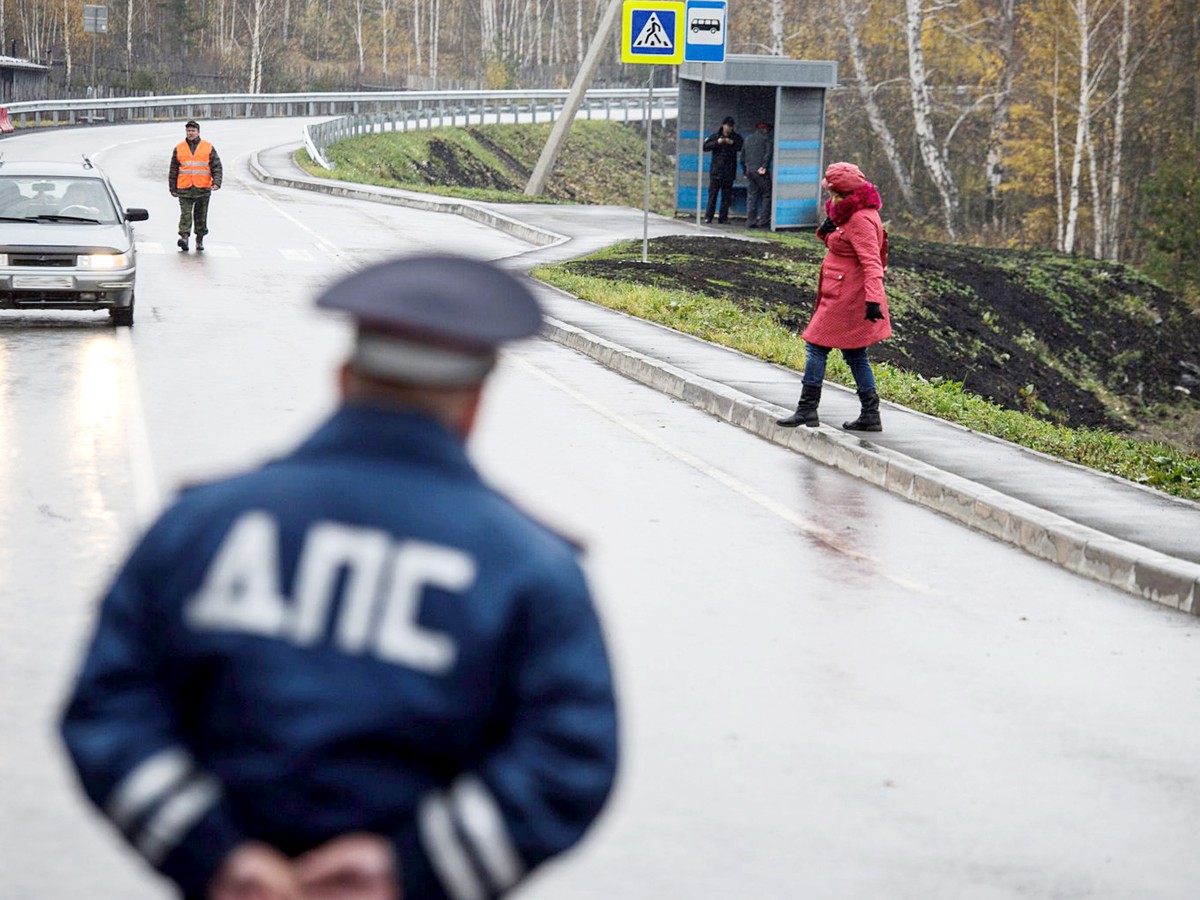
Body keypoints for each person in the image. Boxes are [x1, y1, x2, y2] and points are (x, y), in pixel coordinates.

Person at [60, 255, 620, 900]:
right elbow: (569, 760)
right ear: (473, 404)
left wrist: (218, 855)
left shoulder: (200, 523)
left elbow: (107, 708)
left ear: (345, 378)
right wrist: (408, 869)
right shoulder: (529, 566)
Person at [776, 161, 891, 431]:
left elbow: (872, 261)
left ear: (840, 192)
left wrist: (873, 299)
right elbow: (842, 242)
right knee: (855, 354)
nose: (828, 195)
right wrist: (827, 230)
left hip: (849, 296)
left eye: (830, 190)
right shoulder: (847, 212)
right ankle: (870, 415)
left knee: (816, 345)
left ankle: (807, 409)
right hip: (840, 291)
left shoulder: (861, 217)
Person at [169, 119, 222, 252]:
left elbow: (216, 166)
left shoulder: (208, 147)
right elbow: (173, 169)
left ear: (198, 132)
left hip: (202, 188)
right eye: (188, 131)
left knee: (201, 216)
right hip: (184, 188)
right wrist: (172, 188)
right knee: (185, 214)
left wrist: (216, 182)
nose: (190, 133)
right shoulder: (179, 148)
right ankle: (184, 238)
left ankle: (200, 239)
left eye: (193, 131)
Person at [702, 116, 743, 224]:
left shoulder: (736, 137)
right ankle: (708, 216)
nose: (729, 128)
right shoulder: (715, 136)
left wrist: (732, 143)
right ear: (723, 125)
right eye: (728, 126)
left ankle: (723, 218)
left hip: (729, 172)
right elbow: (705, 147)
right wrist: (717, 142)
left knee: (726, 197)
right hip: (716, 171)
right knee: (713, 195)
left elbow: (741, 146)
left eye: (731, 126)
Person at [741, 122, 773, 228]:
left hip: (750, 171)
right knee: (767, 195)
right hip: (760, 171)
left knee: (752, 196)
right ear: (764, 129)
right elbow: (768, 154)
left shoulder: (748, 139)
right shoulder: (766, 139)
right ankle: (763, 220)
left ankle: (751, 221)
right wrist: (763, 166)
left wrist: (745, 170)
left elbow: (742, 157)